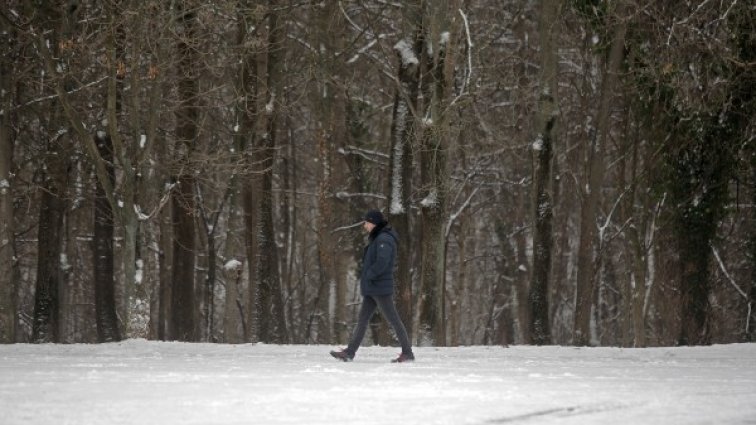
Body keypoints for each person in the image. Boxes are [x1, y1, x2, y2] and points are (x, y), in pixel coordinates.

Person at [330, 209, 415, 363]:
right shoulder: (378, 238)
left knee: (394, 320)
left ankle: (408, 352)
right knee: (362, 320)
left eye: (367, 223)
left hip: (380, 288)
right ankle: (350, 352)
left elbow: (383, 262)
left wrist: (369, 274)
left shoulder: (384, 239)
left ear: (374, 223)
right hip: (373, 288)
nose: (365, 226)